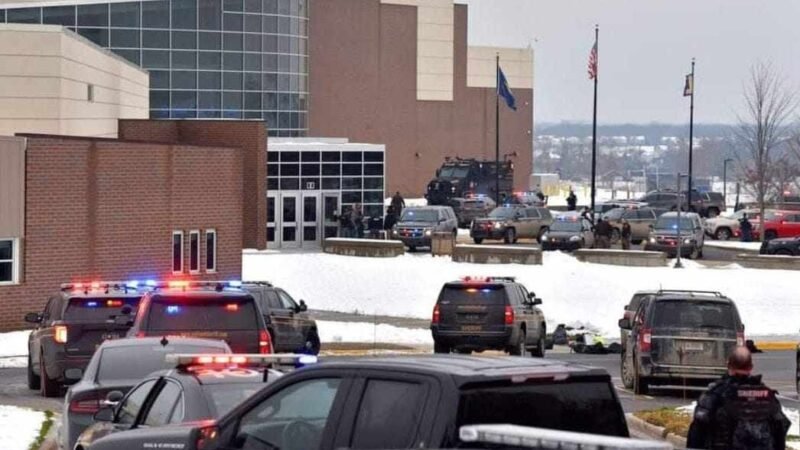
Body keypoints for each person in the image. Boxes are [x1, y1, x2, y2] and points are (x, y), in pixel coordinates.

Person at [687, 347, 790, 450]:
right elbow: (780, 430)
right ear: (751, 367)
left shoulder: (716, 393)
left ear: (728, 365)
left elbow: (698, 430)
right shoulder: (767, 395)